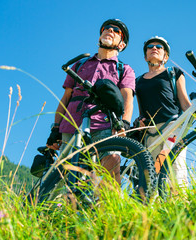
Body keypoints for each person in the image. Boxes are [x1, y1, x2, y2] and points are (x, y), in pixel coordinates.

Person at [46, 19, 135, 184]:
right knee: (68, 176)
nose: (110, 31)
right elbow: (66, 97)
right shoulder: (80, 64)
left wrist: (125, 123)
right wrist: (56, 128)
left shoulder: (124, 69)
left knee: (112, 165)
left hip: (104, 122)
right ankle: (68, 208)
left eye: (116, 31)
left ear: (121, 44)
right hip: (72, 123)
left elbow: (127, 98)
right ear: (100, 36)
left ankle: (108, 209)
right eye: (106, 28)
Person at [135, 36, 191, 187]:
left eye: (159, 47)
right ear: (145, 55)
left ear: (165, 56)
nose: (154, 48)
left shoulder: (173, 73)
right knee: (152, 173)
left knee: (175, 170)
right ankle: (152, 208)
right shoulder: (138, 81)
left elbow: (185, 103)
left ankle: (180, 205)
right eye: (150, 46)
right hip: (150, 132)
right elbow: (141, 108)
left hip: (173, 127)